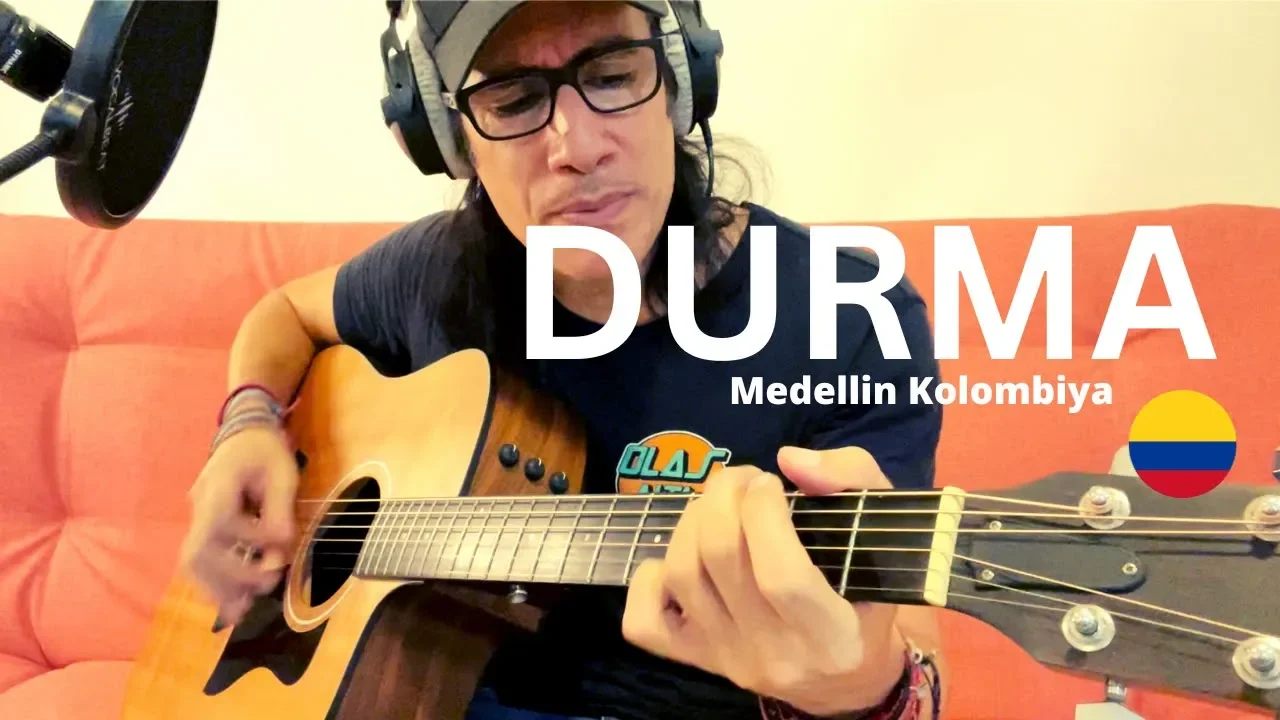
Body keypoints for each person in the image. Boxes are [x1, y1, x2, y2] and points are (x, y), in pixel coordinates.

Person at [182, 2, 947, 719]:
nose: (577, 149)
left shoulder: (847, 314)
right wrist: (246, 425)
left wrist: (858, 687)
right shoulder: (436, 272)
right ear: (450, 139)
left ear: (680, 82)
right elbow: (285, 313)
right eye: (514, 101)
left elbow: (909, 643)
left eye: (612, 76)